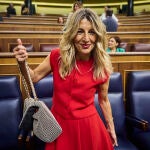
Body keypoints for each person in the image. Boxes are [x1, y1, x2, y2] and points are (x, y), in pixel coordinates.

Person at [13, 8, 118, 150]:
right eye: (80, 31)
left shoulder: (102, 65)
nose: (86, 39)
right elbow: (34, 77)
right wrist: (22, 63)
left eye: (92, 32)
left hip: (89, 126)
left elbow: (104, 100)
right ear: (72, 33)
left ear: (98, 36)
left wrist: (111, 127)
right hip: (59, 126)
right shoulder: (57, 56)